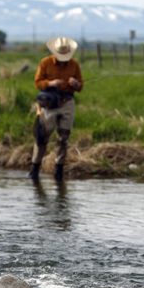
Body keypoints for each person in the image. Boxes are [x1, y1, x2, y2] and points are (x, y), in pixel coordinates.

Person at [30, 36, 83, 181]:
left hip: (68, 103)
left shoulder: (74, 65)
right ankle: (35, 168)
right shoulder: (45, 63)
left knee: (63, 137)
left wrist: (75, 84)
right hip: (49, 104)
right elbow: (37, 83)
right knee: (42, 136)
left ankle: (58, 171)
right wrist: (51, 83)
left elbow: (80, 87)